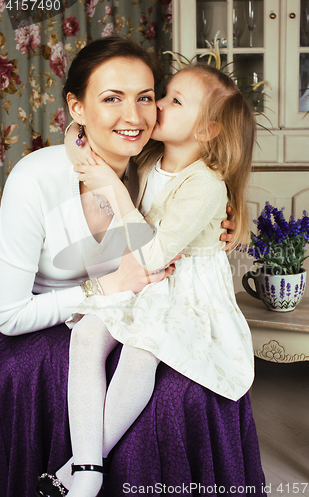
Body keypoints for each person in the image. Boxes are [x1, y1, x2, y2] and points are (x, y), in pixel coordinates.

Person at [0, 37, 264, 497]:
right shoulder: (38, 179)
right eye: (111, 98)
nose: (140, 114)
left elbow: (203, 182)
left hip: (156, 300)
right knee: (103, 359)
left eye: (147, 97)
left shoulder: (144, 163)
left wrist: (234, 213)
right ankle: (86, 469)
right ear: (76, 107)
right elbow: (8, 315)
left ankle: (88, 467)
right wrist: (101, 289)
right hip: (55, 316)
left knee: (179, 392)